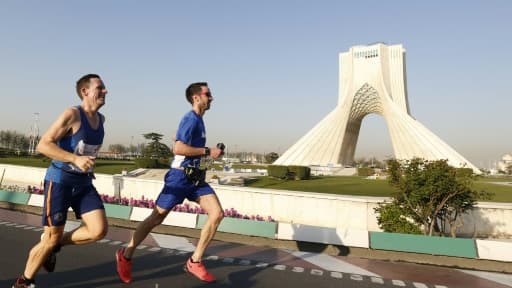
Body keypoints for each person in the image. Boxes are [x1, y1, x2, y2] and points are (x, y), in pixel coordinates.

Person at [116, 82, 224, 284]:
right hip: (179, 178)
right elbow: (178, 149)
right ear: (196, 97)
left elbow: (184, 144)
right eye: (208, 94)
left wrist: (209, 155)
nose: (212, 97)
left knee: (217, 214)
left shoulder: (199, 121)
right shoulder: (190, 118)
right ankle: (126, 254)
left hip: (196, 179)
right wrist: (209, 151)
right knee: (156, 218)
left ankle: (195, 261)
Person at [12, 74, 109, 288]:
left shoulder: (101, 120)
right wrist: (75, 158)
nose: (105, 91)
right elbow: (43, 145)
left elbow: (85, 149)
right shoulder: (72, 114)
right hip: (60, 182)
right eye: (100, 87)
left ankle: (53, 246)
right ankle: (24, 282)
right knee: (51, 236)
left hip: (83, 183)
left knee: (98, 230)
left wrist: (84, 163)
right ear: (85, 92)